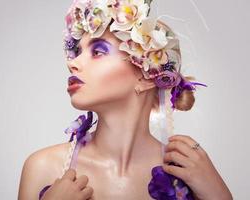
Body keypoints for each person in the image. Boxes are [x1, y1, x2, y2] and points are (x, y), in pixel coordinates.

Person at [18, 0, 233, 199]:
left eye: (98, 51)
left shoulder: (186, 174)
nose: (72, 63)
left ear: (147, 76)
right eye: (77, 51)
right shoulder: (43, 167)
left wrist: (219, 195)